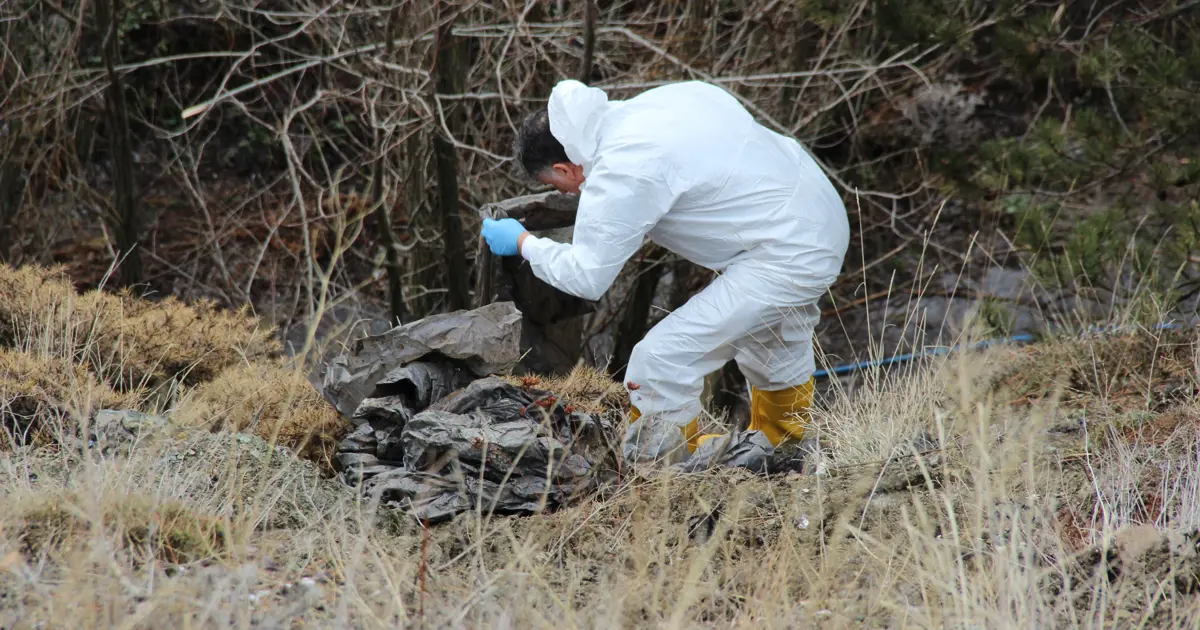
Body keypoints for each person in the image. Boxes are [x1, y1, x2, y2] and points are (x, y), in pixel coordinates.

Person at [481, 79, 850, 463]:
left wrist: (524, 243)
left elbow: (586, 277)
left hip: (787, 248)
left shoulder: (621, 170)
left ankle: (667, 478)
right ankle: (786, 451)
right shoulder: (649, 109)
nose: (567, 193)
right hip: (815, 209)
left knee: (659, 362)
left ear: (562, 166)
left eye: (556, 184)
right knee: (772, 340)